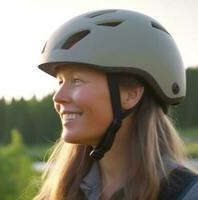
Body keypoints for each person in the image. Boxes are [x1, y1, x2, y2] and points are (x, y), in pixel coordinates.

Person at [33, 9, 198, 200]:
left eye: (76, 81)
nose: (58, 97)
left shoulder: (187, 194)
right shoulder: (56, 193)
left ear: (131, 94)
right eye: (60, 81)